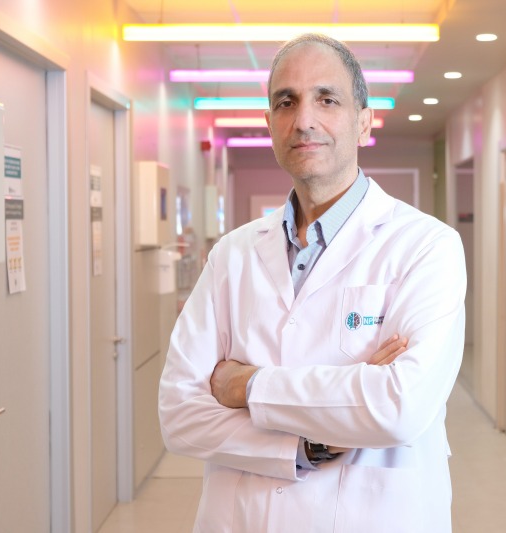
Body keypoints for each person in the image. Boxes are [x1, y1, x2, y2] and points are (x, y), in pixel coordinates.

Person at [158, 33, 466, 533]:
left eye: (327, 99)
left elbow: (398, 406)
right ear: (269, 124)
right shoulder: (231, 255)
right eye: (287, 101)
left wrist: (246, 385)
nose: (304, 119)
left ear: (364, 121)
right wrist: (310, 442)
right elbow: (179, 414)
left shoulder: (427, 246)